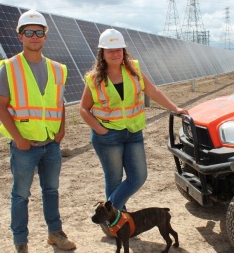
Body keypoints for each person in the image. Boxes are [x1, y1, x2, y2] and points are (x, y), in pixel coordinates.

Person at [79, 28, 188, 222]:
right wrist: (101, 130)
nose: (115, 54)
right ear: (102, 54)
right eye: (109, 50)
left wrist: (175, 108)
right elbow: (84, 109)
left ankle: (107, 215)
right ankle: (116, 222)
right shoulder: (94, 79)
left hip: (133, 133)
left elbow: (153, 91)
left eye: (118, 49)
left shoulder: (134, 70)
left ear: (123, 51)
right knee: (113, 180)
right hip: (108, 136)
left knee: (138, 177)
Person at [0, 9, 76, 253]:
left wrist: (61, 131)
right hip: (24, 146)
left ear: (45, 36)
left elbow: (59, 102)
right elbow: (0, 106)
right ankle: (21, 242)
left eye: (39, 32)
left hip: (51, 144)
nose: (34, 36)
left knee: (51, 190)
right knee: (20, 195)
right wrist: (18, 139)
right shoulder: (8, 67)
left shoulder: (58, 69)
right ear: (20, 36)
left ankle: (55, 233)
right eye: (28, 32)